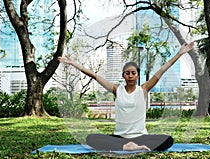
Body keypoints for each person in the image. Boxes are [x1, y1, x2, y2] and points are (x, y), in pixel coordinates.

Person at [58, 42, 194, 151]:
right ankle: (126, 147)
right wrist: (73, 63)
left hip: (141, 137)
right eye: (127, 73)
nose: (130, 76)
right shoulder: (117, 89)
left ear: (137, 75)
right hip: (120, 138)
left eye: (133, 73)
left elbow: (162, 70)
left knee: (168, 140)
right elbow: (94, 75)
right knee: (91, 138)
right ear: (123, 75)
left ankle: (132, 146)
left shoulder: (144, 89)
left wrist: (179, 54)